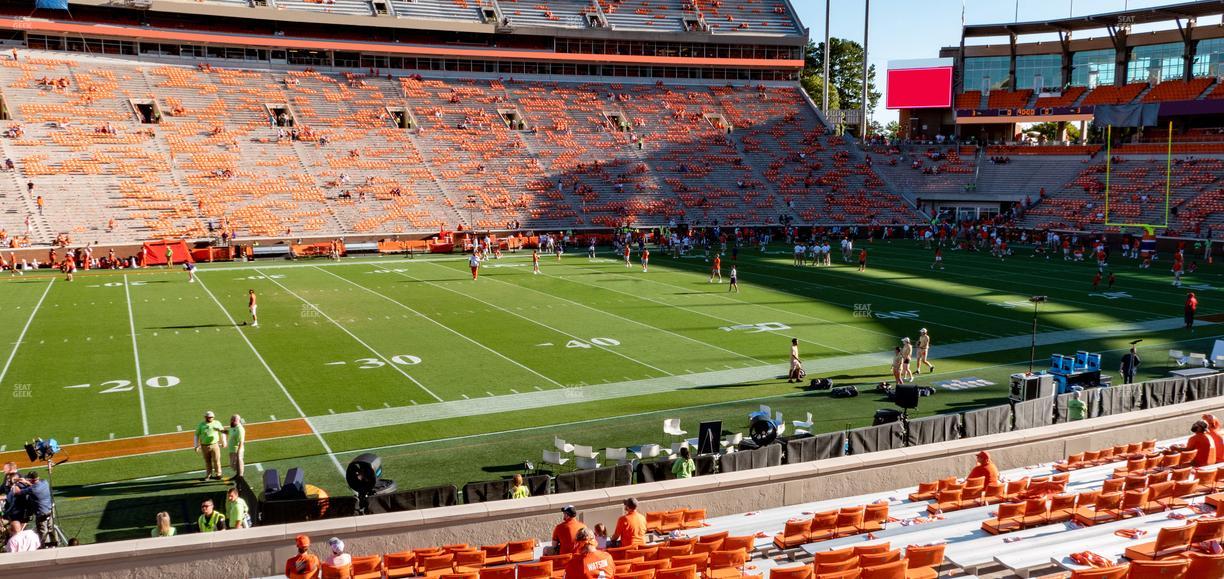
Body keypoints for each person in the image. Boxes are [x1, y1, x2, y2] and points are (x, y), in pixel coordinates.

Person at [194, 410, 227, 481]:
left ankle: (218, 474)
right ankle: (208, 475)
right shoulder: (201, 424)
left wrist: (224, 441)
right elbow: (196, 435)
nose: (209, 418)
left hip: (215, 445)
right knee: (207, 461)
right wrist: (196, 445)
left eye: (211, 417)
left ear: (213, 417)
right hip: (204, 446)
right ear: (205, 417)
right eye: (208, 417)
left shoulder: (217, 423)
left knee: (216, 460)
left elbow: (223, 432)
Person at [228, 414, 245, 480]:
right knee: (233, 464)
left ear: (238, 421)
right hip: (232, 449)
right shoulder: (233, 427)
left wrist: (239, 451)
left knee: (238, 462)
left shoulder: (240, 429)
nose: (232, 421)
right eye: (231, 419)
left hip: (236, 449)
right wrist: (221, 431)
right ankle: (237, 474)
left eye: (234, 420)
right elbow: (230, 432)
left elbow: (241, 441)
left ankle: (240, 476)